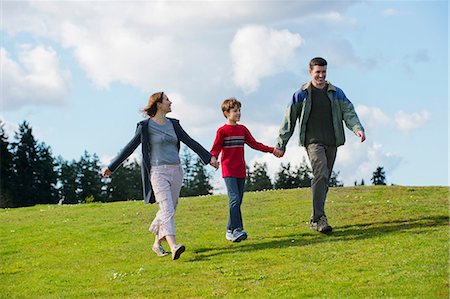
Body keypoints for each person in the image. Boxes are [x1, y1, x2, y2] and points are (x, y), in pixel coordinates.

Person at [103, 92, 219, 260]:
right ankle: (174, 246)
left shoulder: (174, 125)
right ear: (158, 104)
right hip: (158, 172)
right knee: (166, 208)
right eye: (167, 100)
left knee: (170, 209)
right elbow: (129, 147)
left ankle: (157, 243)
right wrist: (112, 166)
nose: (170, 102)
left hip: (176, 170)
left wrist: (209, 158)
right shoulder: (145, 127)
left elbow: (190, 141)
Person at [274, 57, 366, 233]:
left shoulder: (336, 93)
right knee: (321, 173)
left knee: (324, 180)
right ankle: (319, 220)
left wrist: (357, 129)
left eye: (324, 72)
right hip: (313, 142)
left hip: (332, 141)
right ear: (310, 72)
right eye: (318, 72)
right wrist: (281, 144)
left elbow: (349, 112)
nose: (321, 76)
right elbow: (289, 121)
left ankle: (316, 217)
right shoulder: (301, 95)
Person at [211, 98, 277, 242]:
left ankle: (229, 230)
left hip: (241, 170)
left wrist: (272, 150)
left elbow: (255, 144)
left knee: (237, 201)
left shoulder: (242, 129)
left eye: (239, 110)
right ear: (226, 113)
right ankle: (237, 230)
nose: (238, 113)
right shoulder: (222, 131)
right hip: (228, 170)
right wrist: (214, 159)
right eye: (235, 111)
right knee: (234, 199)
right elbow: (215, 148)